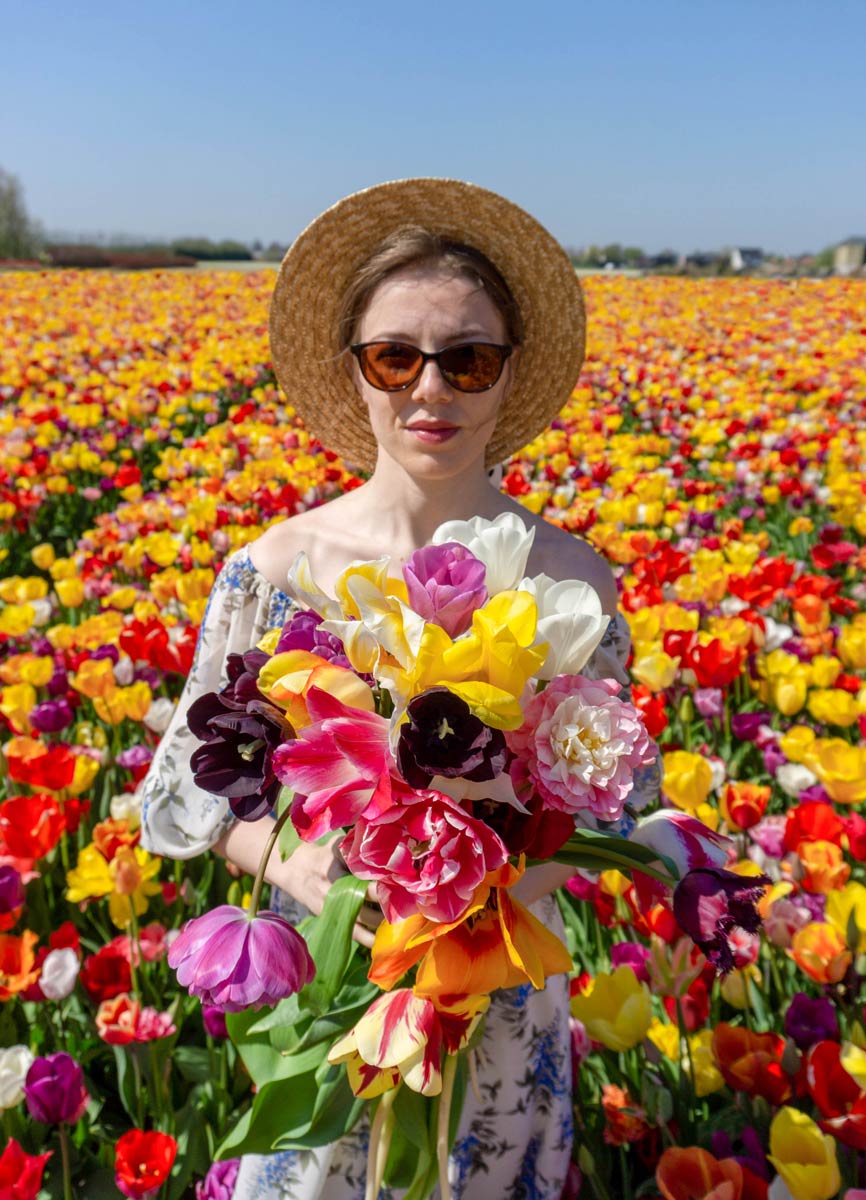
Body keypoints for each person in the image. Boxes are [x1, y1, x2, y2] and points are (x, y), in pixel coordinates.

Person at [140, 178, 658, 1199]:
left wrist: (476, 907)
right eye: (396, 358)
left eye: (468, 359)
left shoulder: (570, 581)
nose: (432, 392)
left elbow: (615, 803)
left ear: (508, 377)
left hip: (499, 993)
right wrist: (313, 881)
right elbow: (186, 798)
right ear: (354, 371)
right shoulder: (274, 571)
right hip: (340, 983)